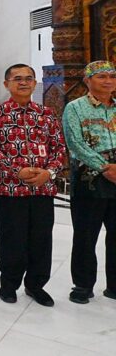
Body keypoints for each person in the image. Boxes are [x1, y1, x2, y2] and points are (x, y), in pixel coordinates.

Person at [0, 63, 65, 307]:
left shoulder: (46, 114)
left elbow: (59, 149)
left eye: (29, 78)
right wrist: (16, 170)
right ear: (6, 83)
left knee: (41, 240)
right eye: (17, 78)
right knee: (12, 240)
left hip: (42, 189)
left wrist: (48, 172)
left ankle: (36, 285)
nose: (23, 82)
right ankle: (9, 285)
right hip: (10, 190)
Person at [62, 60, 116, 304]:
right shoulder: (75, 107)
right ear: (87, 81)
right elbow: (75, 142)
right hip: (89, 178)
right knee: (85, 235)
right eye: (101, 76)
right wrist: (104, 167)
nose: (108, 81)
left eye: (111, 77)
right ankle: (83, 285)